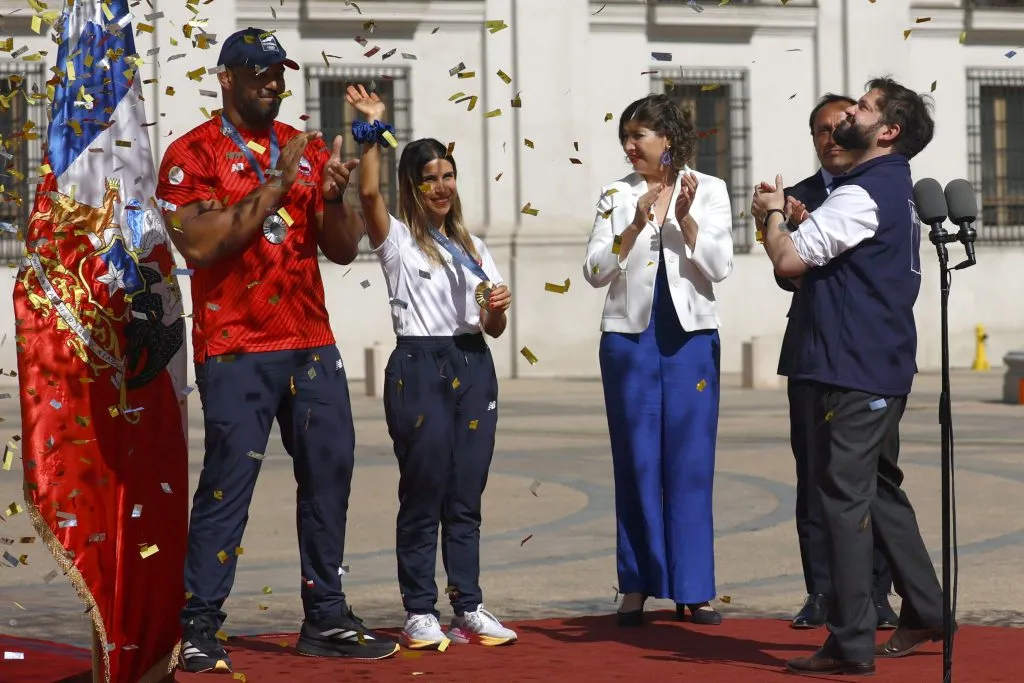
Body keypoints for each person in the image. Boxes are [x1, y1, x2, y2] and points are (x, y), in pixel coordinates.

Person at [155, 28, 399, 673]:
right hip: (236, 346)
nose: (272, 82)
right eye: (258, 71)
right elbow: (200, 244)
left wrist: (332, 196)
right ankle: (199, 625)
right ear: (226, 78)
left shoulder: (307, 147)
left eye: (278, 72)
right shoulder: (191, 153)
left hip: (310, 341)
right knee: (228, 485)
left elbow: (341, 248)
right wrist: (275, 185)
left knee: (329, 475)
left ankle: (326, 616)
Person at [751, 77, 944, 676]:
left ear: (888, 130)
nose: (847, 116)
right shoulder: (886, 186)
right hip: (871, 362)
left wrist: (773, 216)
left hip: (853, 366)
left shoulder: (864, 192)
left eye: (863, 107)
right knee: (878, 491)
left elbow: (789, 260)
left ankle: (851, 640)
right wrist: (797, 220)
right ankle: (927, 608)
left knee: (841, 502)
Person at [345, 83, 518, 650]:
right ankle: (419, 610)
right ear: (412, 186)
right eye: (429, 178)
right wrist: (371, 129)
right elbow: (367, 191)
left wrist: (497, 310)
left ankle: (469, 605)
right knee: (423, 491)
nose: (442, 187)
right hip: (419, 365)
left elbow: (492, 328)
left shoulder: (475, 247)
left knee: (466, 493)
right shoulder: (396, 240)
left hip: (473, 363)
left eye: (448, 176)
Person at [583, 94, 734, 627]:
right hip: (629, 341)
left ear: (668, 137)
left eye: (639, 135)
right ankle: (637, 583)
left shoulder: (709, 189)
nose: (630, 145)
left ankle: (695, 588)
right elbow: (594, 271)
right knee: (636, 461)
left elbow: (720, 266)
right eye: (625, 136)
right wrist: (630, 228)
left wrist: (686, 221)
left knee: (690, 465)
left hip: (691, 339)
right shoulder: (615, 193)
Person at [780, 94, 898, 631]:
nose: (831, 137)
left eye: (839, 126)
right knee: (813, 477)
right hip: (810, 350)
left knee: (875, 479)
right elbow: (786, 273)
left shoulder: (875, 189)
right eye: (821, 131)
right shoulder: (797, 196)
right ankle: (822, 591)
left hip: (865, 358)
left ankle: (877, 592)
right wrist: (788, 228)